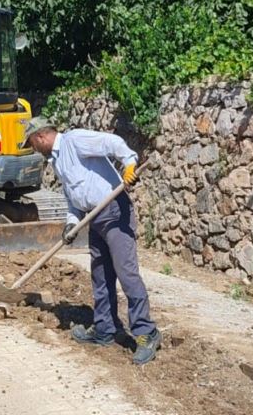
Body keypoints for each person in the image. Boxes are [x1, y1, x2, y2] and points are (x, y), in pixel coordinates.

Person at [22, 117, 161, 365]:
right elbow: (73, 198)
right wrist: (71, 224)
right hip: (93, 218)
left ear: (40, 136)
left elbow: (113, 142)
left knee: (126, 274)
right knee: (100, 275)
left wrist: (130, 163)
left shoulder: (74, 141)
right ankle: (105, 329)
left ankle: (145, 333)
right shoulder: (57, 162)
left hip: (115, 211)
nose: (33, 148)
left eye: (32, 143)